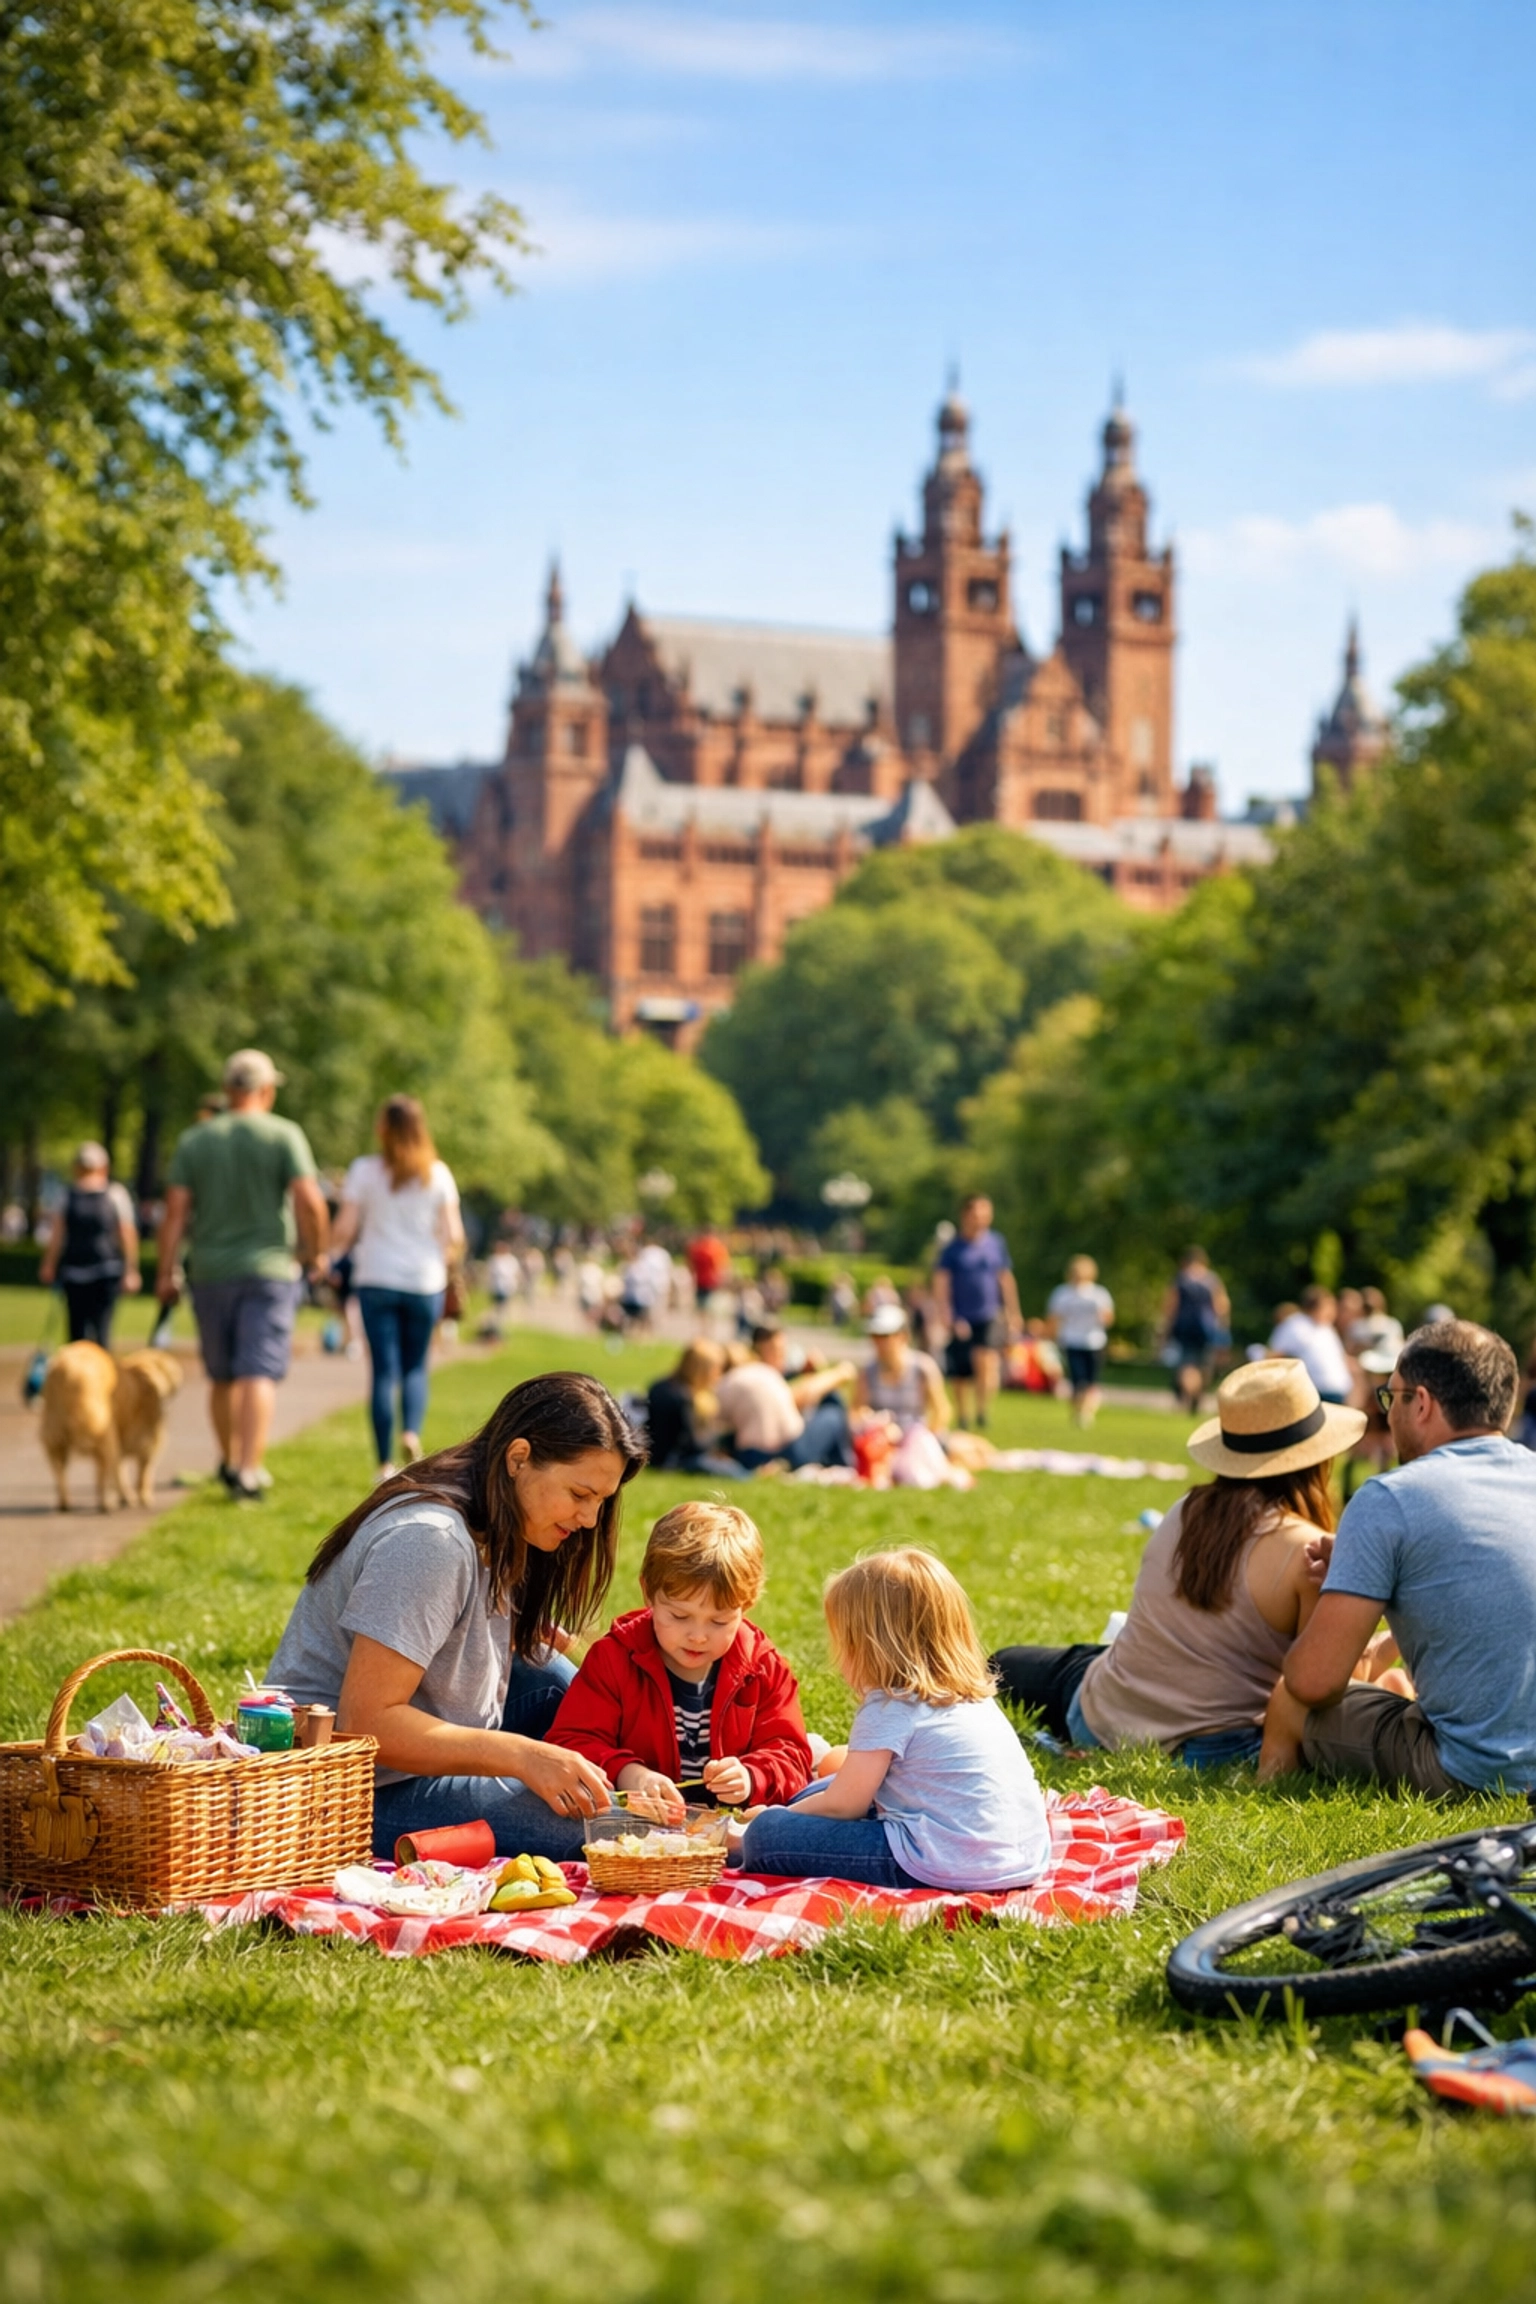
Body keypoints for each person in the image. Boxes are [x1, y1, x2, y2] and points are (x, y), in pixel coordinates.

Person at [267, 1370, 647, 1857]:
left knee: (560, 1682)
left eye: (601, 1500)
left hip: (418, 1748)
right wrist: (522, 1756)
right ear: (519, 1458)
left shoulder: (500, 1515)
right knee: (606, 1829)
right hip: (349, 1787)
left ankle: (661, 1781)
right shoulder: (431, 1541)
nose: (591, 1519)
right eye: (579, 1495)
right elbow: (366, 1725)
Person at [992, 1360, 1364, 1771]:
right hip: (1217, 1750)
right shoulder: (1311, 1553)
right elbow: (1322, 1682)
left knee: (1007, 1663)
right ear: (1316, 1459)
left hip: (1103, 1718)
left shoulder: (1187, 1509)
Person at [1280, 1320, 1536, 1797]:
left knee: (1295, 1706)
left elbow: (1314, 1683)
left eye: (1390, 1397)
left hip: (1474, 1772)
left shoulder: (1389, 1497)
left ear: (1421, 1403)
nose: (1388, 1413)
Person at [741, 1548, 1050, 1890]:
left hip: (942, 1861)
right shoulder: (974, 1700)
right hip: (1021, 1859)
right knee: (821, 1789)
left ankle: (749, 1837)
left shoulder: (890, 1706)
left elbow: (844, 1806)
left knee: (766, 1836)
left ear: (867, 1646)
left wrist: (773, 1819)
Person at [546, 1500, 812, 1818]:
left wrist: (751, 1776)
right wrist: (630, 1774)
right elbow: (571, 1741)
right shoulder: (615, 1659)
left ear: (747, 1605)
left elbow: (793, 1758)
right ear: (649, 1594)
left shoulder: (762, 1666)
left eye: (719, 1621)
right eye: (679, 1615)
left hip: (727, 1829)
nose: (698, 1636)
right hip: (637, 1821)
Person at [155, 1050, 329, 1500]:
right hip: (269, 1269)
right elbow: (310, 1201)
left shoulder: (196, 1139)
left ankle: (230, 1461)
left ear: (227, 1089)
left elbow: (175, 1212)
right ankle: (249, 1471)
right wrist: (317, 1253)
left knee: (222, 1374)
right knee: (258, 1372)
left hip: (210, 1271)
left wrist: (166, 1270)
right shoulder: (283, 1134)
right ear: (266, 1090)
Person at [328, 1097, 465, 1481]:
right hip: (424, 1282)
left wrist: (327, 1251)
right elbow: (454, 1235)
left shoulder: (365, 1171)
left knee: (383, 1371)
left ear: (383, 1129)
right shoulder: (437, 1174)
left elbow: (344, 1228)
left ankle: (385, 1464)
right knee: (416, 1366)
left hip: (376, 1278)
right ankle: (411, 1432)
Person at [716, 1322, 857, 1472]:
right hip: (781, 1450)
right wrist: (839, 1373)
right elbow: (802, 1395)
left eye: (783, 1350)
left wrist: (804, 1372)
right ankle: (846, 1466)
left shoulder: (746, 1377)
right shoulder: (763, 1374)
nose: (780, 1356)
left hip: (749, 1452)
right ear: (758, 1350)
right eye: (775, 1350)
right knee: (833, 1410)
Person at [38, 1143, 141, 1346]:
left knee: (76, 1335)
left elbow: (57, 1235)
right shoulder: (115, 1194)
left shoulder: (67, 1195)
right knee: (102, 1333)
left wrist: (49, 1264)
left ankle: (79, 1376)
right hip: (106, 1270)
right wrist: (131, 1270)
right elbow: (126, 1233)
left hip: (75, 1271)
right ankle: (102, 1376)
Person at [933, 1195, 1022, 1431]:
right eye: (976, 1214)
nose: (981, 1219)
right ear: (965, 1216)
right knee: (961, 1371)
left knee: (988, 1362)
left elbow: (1005, 1278)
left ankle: (982, 1411)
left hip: (989, 1313)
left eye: (985, 1213)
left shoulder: (996, 1243)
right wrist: (946, 1313)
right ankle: (962, 1414)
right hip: (961, 1315)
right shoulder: (952, 1249)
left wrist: (1014, 1311)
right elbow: (942, 1281)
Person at [646, 1339, 747, 1478]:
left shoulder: (660, 1386)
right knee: (737, 1473)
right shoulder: (684, 1398)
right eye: (716, 1369)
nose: (718, 1375)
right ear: (703, 1370)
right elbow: (692, 1444)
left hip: (655, 1456)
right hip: (676, 1462)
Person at [855, 1304, 950, 1434]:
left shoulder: (923, 1368)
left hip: (917, 1438)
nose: (878, 1342)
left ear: (903, 1336)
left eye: (885, 1336)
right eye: (874, 1335)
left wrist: (923, 1436)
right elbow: (856, 1411)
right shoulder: (867, 1372)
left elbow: (941, 1411)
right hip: (880, 1441)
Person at [1157, 1246, 1231, 1412]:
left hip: (1183, 1328)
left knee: (1186, 1363)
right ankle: (1196, 1393)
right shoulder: (1211, 1280)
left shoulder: (1181, 1279)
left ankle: (1188, 1392)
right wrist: (1223, 1329)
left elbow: (1170, 1307)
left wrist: (1164, 1330)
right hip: (1206, 1329)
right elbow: (1222, 1306)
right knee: (1203, 1364)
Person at [1046, 1255, 1116, 1428]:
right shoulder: (1063, 1293)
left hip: (1094, 1341)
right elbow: (1054, 1318)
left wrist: (1103, 1316)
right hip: (1072, 1340)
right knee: (1078, 1380)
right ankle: (1079, 1411)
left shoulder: (1098, 1294)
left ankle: (1085, 1411)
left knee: (1091, 1381)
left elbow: (1109, 1317)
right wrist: (1052, 1337)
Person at [1269, 1286, 1352, 1405]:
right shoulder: (1294, 1325)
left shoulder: (1327, 1329)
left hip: (1337, 1392)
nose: (1333, 1311)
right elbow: (1275, 1355)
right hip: (1313, 1391)